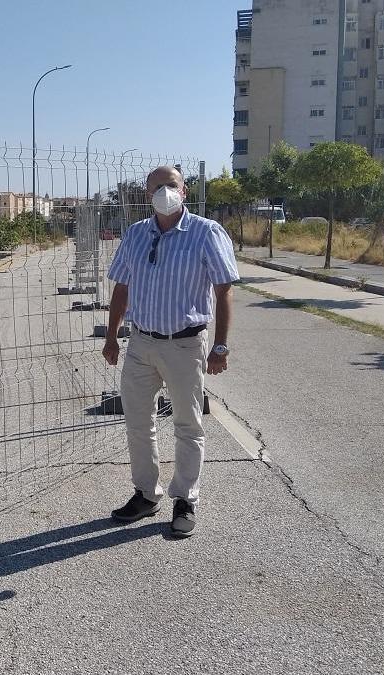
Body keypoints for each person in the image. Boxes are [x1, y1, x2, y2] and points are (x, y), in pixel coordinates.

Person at [101, 165, 239, 536]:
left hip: (185, 344)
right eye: (157, 187)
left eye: (171, 185)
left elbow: (223, 290)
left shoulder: (206, 233)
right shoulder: (135, 235)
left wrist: (221, 346)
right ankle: (146, 494)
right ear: (147, 195)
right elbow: (122, 288)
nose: (165, 192)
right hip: (142, 343)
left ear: (185, 189)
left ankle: (185, 499)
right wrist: (112, 336)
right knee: (137, 423)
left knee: (187, 425)